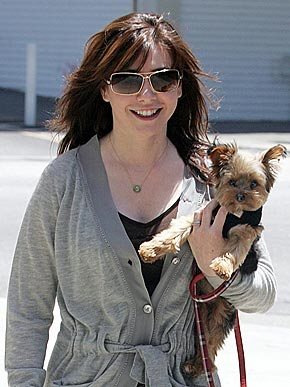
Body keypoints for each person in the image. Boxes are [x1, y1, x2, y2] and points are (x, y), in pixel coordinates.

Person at [5, 12, 276, 387]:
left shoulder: (211, 182)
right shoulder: (64, 181)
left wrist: (217, 267)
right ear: (104, 89)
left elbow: (263, 295)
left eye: (163, 78)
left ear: (180, 87)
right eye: (127, 80)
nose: (147, 95)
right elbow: (27, 308)